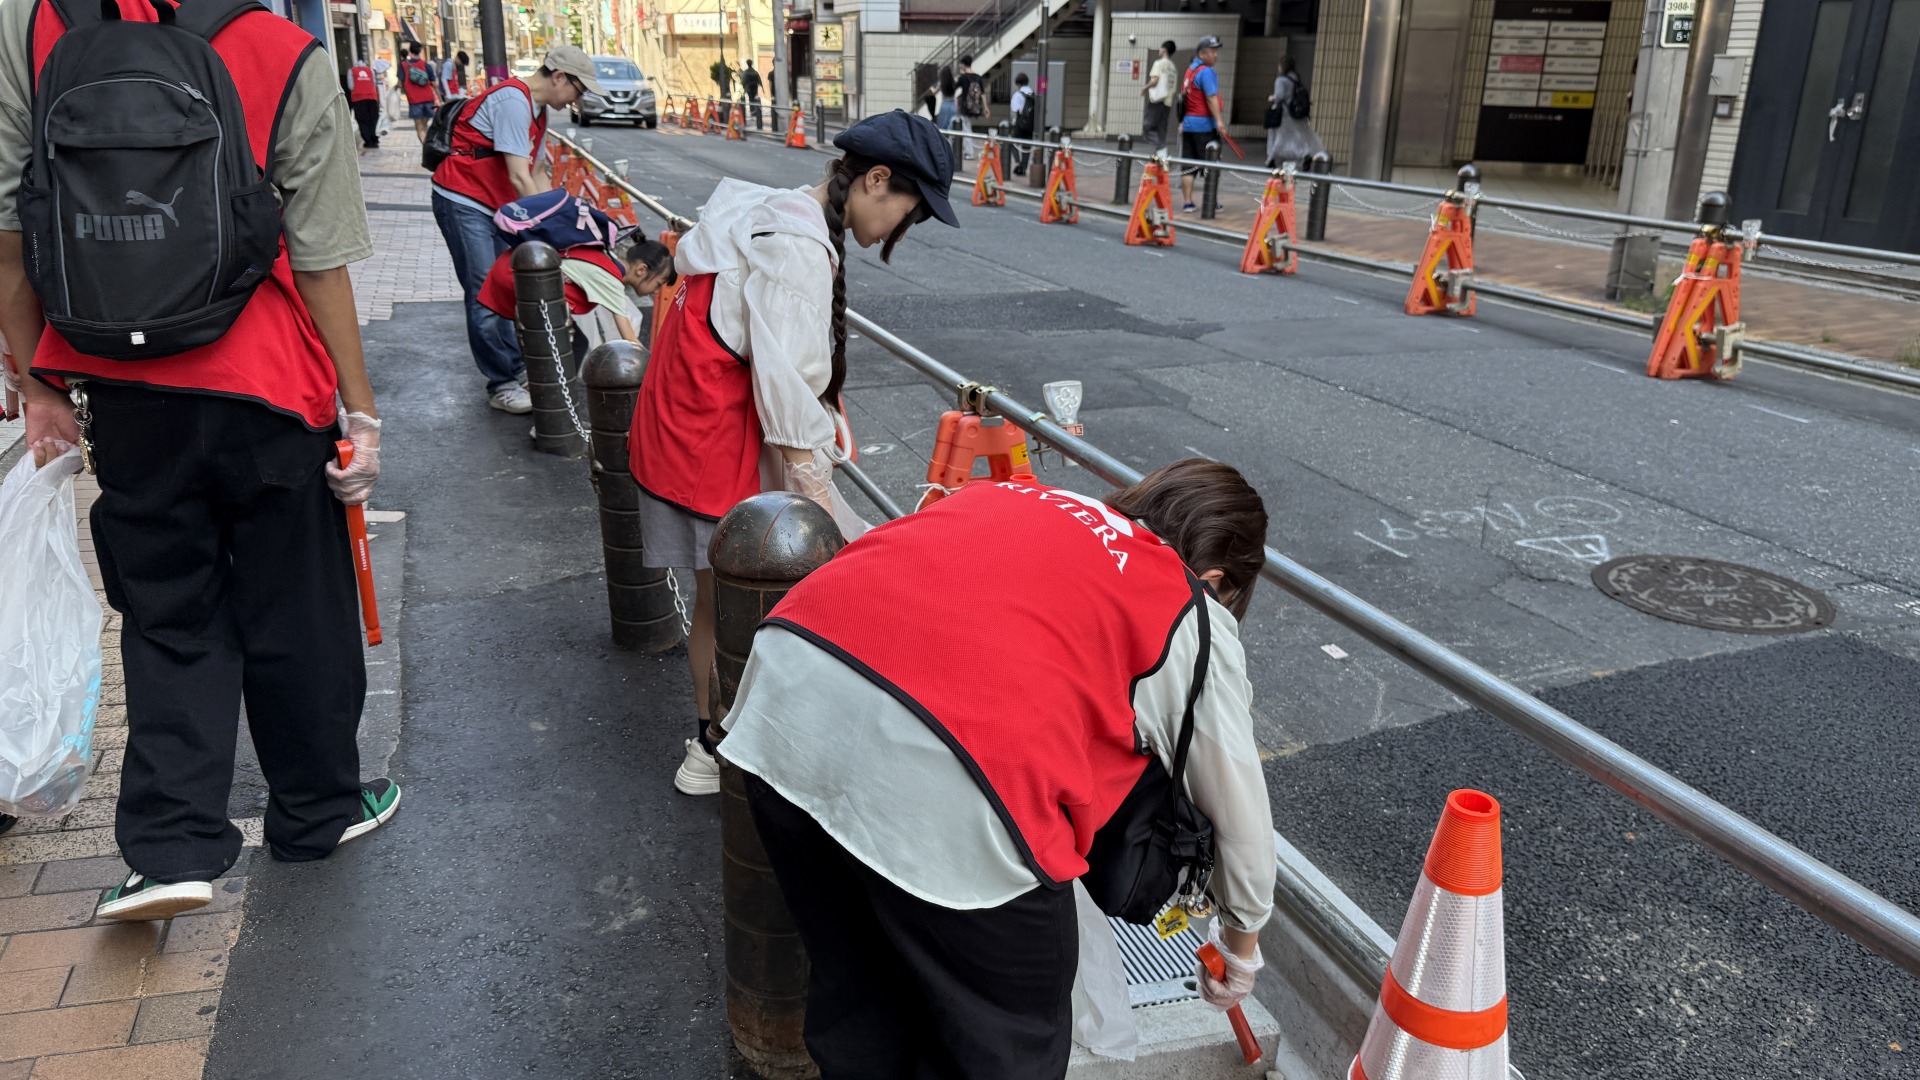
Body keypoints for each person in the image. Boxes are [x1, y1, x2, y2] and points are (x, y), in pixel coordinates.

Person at [0, 0, 400, 922]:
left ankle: (171, 851)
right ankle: (320, 810)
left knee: (168, 614)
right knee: (299, 603)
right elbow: (324, 254)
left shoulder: (30, 31)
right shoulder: (283, 48)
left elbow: (11, 233)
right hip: (267, 385)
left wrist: (40, 384)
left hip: (123, 384)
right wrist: (361, 410)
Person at [720, 459, 1275, 1077]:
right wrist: (1240, 949)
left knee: (859, 993)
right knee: (1008, 1044)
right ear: (1217, 578)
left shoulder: (1018, 497)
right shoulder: (1189, 608)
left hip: (782, 709)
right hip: (955, 791)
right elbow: (1241, 815)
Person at [628, 111, 957, 797]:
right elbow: (783, 391)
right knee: (741, 606)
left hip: (680, 427)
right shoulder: (800, 249)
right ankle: (721, 750)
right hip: (710, 446)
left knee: (721, 601)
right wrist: (821, 502)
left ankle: (716, 743)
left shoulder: (773, 208)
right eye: (911, 213)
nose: (903, 230)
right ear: (875, 181)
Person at [429, 46, 600, 413]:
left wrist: (556, 222)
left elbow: (537, 173)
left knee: (505, 287)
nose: (578, 99)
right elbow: (519, 177)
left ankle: (517, 369)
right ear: (558, 77)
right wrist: (545, 233)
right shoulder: (513, 101)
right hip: (464, 200)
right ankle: (502, 382)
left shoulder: (538, 112)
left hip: (495, 206)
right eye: (579, 90)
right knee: (483, 292)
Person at [475, 237, 675, 356]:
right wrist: (654, 371)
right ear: (641, 270)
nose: (656, 292)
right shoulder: (611, 279)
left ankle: (541, 394)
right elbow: (630, 339)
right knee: (563, 347)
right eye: (658, 284)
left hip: (519, 266)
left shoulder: (605, 258)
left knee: (570, 344)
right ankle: (549, 409)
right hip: (522, 274)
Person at [1179, 36, 1227, 214]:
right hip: (1204, 126)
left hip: (1189, 125)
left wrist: (1181, 121)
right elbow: (1211, 97)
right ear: (1202, 53)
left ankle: (1187, 203)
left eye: (1216, 51)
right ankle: (1210, 202)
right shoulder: (1206, 72)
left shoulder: (1190, 71)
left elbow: (1183, 99)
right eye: (1212, 51)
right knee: (1210, 165)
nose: (1216, 55)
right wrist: (1219, 121)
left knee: (1188, 166)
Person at [1265, 55, 1324, 168]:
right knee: (1297, 137)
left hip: (1284, 114)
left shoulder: (1280, 80)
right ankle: (1305, 154)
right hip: (1297, 113)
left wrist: (1272, 98)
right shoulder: (1296, 78)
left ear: (1282, 67)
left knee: (1279, 137)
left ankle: (1272, 158)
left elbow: (1280, 96)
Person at [401, 42, 439, 143]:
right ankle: (427, 146)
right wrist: (440, 98)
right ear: (420, 51)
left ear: (410, 51)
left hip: (414, 100)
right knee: (425, 126)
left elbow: (400, 83)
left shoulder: (404, 66)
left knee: (419, 128)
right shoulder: (426, 65)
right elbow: (434, 84)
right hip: (428, 99)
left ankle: (425, 147)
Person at [1143, 39, 1177, 150]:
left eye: (1160, 47)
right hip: (1167, 102)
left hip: (1157, 101)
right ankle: (1162, 158)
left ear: (1164, 50)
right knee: (1162, 130)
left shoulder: (1159, 63)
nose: (1159, 49)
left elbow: (1155, 80)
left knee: (1148, 128)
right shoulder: (1173, 68)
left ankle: (1161, 148)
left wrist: (1145, 88)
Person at [955, 54, 988, 159]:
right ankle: (968, 150)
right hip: (975, 106)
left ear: (964, 65)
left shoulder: (963, 77)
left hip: (965, 106)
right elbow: (982, 93)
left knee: (966, 129)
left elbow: (953, 88)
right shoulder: (978, 77)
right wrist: (986, 107)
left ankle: (969, 152)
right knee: (967, 127)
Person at [347, 56, 381, 152]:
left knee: (362, 120)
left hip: (358, 98)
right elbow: (374, 83)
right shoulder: (370, 71)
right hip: (372, 97)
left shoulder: (351, 71)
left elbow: (351, 86)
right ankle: (374, 138)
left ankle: (368, 140)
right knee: (373, 119)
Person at [1009, 71, 1035, 175]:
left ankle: (1017, 163)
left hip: (1020, 123)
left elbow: (1014, 110)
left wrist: (1013, 124)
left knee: (1012, 143)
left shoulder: (1018, 94)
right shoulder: (1032, 93)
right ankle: (1024, 167)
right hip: (1031, 124)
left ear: (1017, 83)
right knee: (1026, 146)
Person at [741, 59, 764, 130]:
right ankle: (755, 111)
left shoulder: (746, 72)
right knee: (755, 99)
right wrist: (762, 87)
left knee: (751, 99)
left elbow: (743, 81)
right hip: (755, 87)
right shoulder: (755, 72)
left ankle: (752, 111)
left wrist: (743, 88)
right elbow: (759, 80)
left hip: (748, 88)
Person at [934, 69, 958, 135]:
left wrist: (931, 89)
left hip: (945, 104)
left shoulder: (941, 83)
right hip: (953, 104)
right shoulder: (954, 82)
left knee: (942, 125)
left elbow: (934, 92)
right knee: (951, 125)